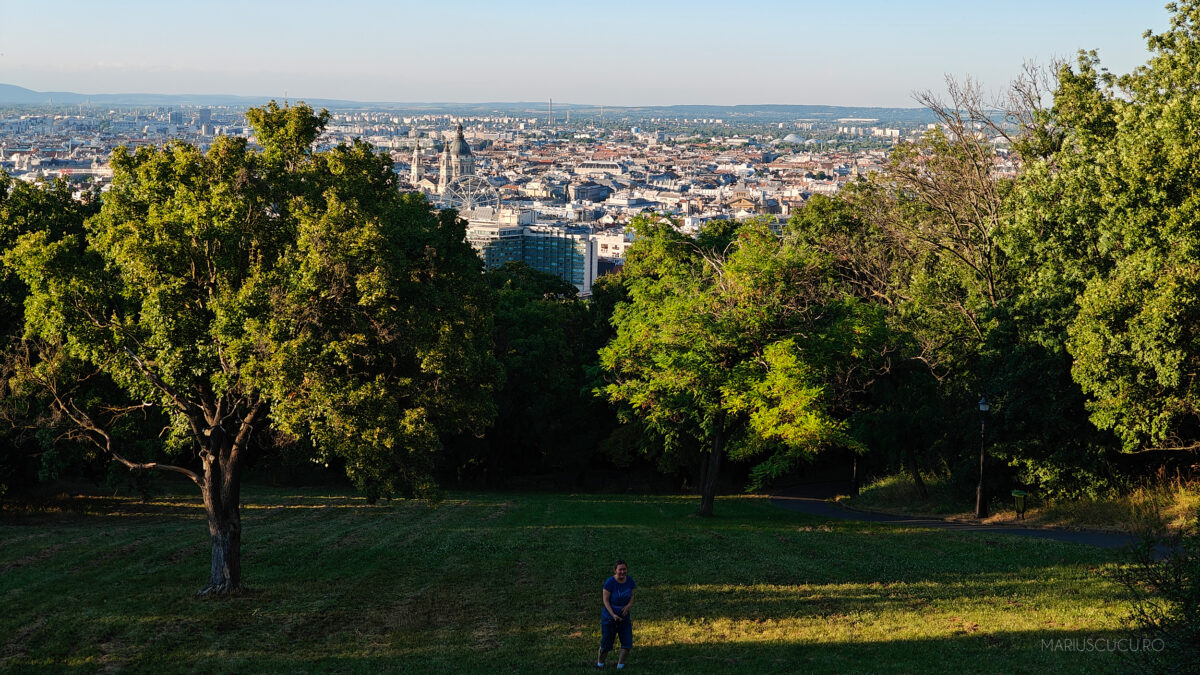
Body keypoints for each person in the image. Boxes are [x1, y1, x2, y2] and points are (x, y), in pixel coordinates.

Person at [597, 559, 636, 669]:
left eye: (624, 569)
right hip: (610, 618)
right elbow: (605, 601)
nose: (622, 572)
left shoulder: (629, 581)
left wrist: (628, 606)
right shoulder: (610, 582)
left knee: (627, 643)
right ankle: (600, 665)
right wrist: (613, 615)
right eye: (620, 570)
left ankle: (620, 666)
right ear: (615, 570)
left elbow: (632, 596)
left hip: (624, 617)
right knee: (606, 644)